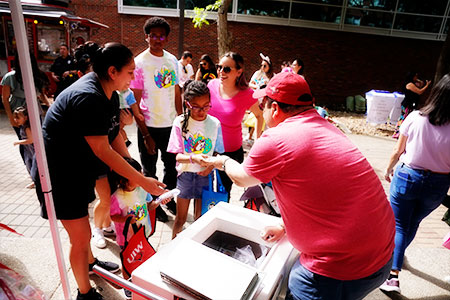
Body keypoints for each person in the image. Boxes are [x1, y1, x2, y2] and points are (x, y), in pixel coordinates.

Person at [205, 72, 395, 300]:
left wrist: (222, 161)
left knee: (296, 283)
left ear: (274, 109)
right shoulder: (326, 128)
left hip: (341, 268)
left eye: (262, 105)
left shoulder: (276, 138)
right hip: (381, 256)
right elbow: (321, 194)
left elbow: (242, 178)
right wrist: (286, 226)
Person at [32, 42, 167, 300]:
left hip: (78, 167)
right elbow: (102, 150)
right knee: (80, 237)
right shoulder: (89, 97)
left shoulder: (110, 93)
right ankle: (84, 293)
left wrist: (134, 169)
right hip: (59, 173)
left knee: (82, 230)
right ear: (113, 71)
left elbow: (113, 133)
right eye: (130, 71)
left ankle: (90, 264)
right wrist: (141, 180)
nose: (134, 77)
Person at [380, 74, 450, 294]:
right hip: (438, 183)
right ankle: (397, 256)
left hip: (408, 177)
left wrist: (389, 168)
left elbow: (397, 150)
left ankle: (392, 275)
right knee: (412, 224)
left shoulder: (415, 117)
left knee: (399, 225)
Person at [130, 16, 181, 223]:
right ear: (147, 37)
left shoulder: (172, 61)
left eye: (161, 36)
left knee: (171, 168)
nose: (157, 39)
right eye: (153, 35)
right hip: (149, 126)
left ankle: (166, 199)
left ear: (167, 39)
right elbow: (135, 100)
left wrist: (181, 122)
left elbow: (177, 92)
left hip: (170, 126)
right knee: (149, 170)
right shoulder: (140, 63)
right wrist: (145, 134)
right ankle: (153, 204)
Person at [167, 80, 224, 238]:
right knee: (180, 219)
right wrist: (194, 158)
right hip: (184, 176)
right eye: (196, 107)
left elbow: (219, 153)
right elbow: (177, 156)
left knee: (200, 219)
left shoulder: (215, 124)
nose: (202, 111)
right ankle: (173, 250)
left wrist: (210, 167)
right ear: (187, 104)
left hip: (204, 177)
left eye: (206, 106)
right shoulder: (180, 122)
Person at [109, 157, 171, 299]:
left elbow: (149, 205)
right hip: (126, 237)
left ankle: (141, 276)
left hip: (143, 232)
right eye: (135, 174)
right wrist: (125, 219)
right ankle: (127, 283)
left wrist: (160, 201)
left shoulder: (143, 189)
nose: (141, 176)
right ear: (122, 180)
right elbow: (112, 216)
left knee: (141, 255)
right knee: (127, 260)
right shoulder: (117, 197)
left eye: (140, 172)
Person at [207, 52, 263, 196]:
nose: (221, 72)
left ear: (239, 72)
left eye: (226, 69)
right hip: (206, 148)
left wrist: (257, 142)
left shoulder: (247, 94)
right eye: (219, 67)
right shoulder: (211, 85)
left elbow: (259, 115)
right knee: (203, 192)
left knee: (223, 193)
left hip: (231, 153)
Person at [1, 51, 50, 187]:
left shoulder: (36, 76)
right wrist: (11, 118)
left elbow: (41, 95)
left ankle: (41, 172)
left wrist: (51, 107)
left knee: (38, 143)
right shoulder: (10, 77)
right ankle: (33, 174)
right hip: (20, 116)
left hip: (35, 113)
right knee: (26, 144)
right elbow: (4, 99)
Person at [393, 71, 430, 139]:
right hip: (407, 104)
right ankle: (398, 133)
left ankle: (402, 133)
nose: (417, 77)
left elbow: (420, 84)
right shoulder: (410, 84)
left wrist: (418, 80)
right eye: (415, 76)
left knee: (407, 118)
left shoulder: (413, 83)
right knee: (404, 118)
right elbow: (419, 91)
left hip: (411, 104)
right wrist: (427, 86)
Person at [12, 106, 35, 188]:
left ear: (25, 118)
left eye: (18, 118)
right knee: (29, 164)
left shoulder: (27, 128)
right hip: (28, 150)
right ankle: (34, 180)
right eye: (15, 118)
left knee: (33, 165)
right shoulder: (23, 127)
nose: (16, 120)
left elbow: (31, 140)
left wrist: (18, 142)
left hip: (32, 150)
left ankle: (36, 181)